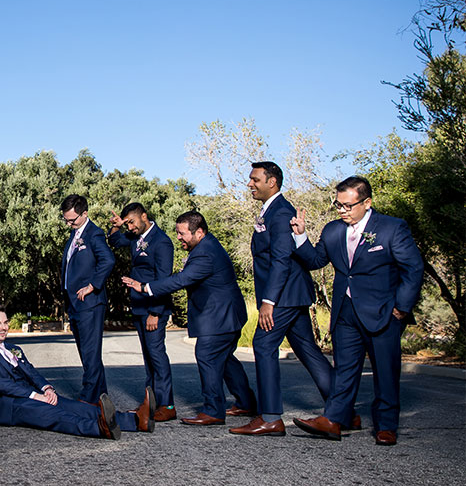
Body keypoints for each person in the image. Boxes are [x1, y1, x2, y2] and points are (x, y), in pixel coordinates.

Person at [291, 176, 423, 446]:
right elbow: (316, 261)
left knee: (385, 371)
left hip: (383, 312)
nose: (342, 211)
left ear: (367, 202)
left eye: (348, 206)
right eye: (338, 205)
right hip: (345, 314)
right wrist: (300, 235)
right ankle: (334, 419)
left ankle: (386, 426)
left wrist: (401, 308)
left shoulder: (391, 228)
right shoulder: (332, 231)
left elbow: (413, 269)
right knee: (344, 370)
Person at [231, 162, 343, 437]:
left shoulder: (280, 212)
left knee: (263, 343)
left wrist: (269, 300)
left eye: (255, 179)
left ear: (272, 182)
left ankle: (270, 417)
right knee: (308, 351)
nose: (249, 184)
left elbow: (281, 259)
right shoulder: (272, 210)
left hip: (284, 296)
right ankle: (344, 412)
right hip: (293, 294)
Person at [137, 211, 257, 425]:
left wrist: (146, 287)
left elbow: (182, 279)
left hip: (220, 316)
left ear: (199, 232)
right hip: (227, 314)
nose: (179, 238)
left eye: (182, 234)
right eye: (177, 233)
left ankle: (213, 411)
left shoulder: (205, 252)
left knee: (207, 355)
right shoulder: (205, 246)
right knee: (225, 359)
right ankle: (246, 403)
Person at [0, 303, 153, 439]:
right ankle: (99, 428)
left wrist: (47, 389)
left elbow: (32, 372)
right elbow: (1, 384)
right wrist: (35, 396)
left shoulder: (13, 347)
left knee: (76, 407)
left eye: (5, 322)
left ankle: (137, 421)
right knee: (54, 414)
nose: (3, 327)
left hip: (30, 396)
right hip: (7, 405)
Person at [109, 202, 177, 421]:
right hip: (138, 307)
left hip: (153, 308)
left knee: (157, 356)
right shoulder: (134, 236)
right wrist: (116, 226)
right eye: (127, 223)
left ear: (144, 216)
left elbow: (164, 280)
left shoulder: (162, 242)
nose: (130, 227)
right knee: (148, 357)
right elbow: (115, 241)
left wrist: (155, 313)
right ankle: (152, 402)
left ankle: (167, 405)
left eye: (132, 222)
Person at [59, 194, 115, 403]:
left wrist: (93, 285)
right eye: (65, 219)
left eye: (72, 220)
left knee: (90, 354)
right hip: (74, 303)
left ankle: (88, 398)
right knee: (86, 353)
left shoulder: (94, 234)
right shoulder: (74, 235)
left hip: (90, 304)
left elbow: (108, 260)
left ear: (84, 214)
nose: (68, 224)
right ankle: (100, 396)